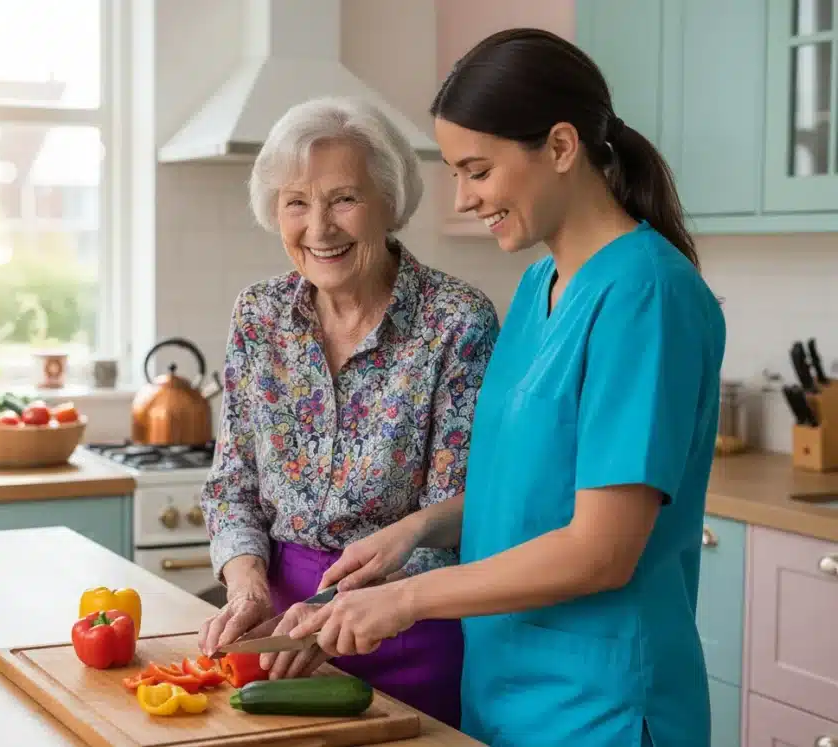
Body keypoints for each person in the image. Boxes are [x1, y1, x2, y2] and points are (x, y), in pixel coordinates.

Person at [289, 29, 726, 747]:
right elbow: (531, 491)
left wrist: (409, 599)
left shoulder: (646, 295)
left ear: (561, 147)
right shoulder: (536, 285)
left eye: (478, 170)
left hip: (600, 711)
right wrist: (417, 531)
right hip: (504, 698)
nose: (464, 198)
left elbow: (602, 548)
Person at [196, 95, 499, 729]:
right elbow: (232, 485)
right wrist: (246, 586)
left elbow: (458, 513)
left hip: (409, 629)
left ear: (390, 202)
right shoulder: (258, 315)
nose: (319, 228)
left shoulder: (456, 320)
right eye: (296, 202)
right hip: (279, 636)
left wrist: (335, 606)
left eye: (344, 199)